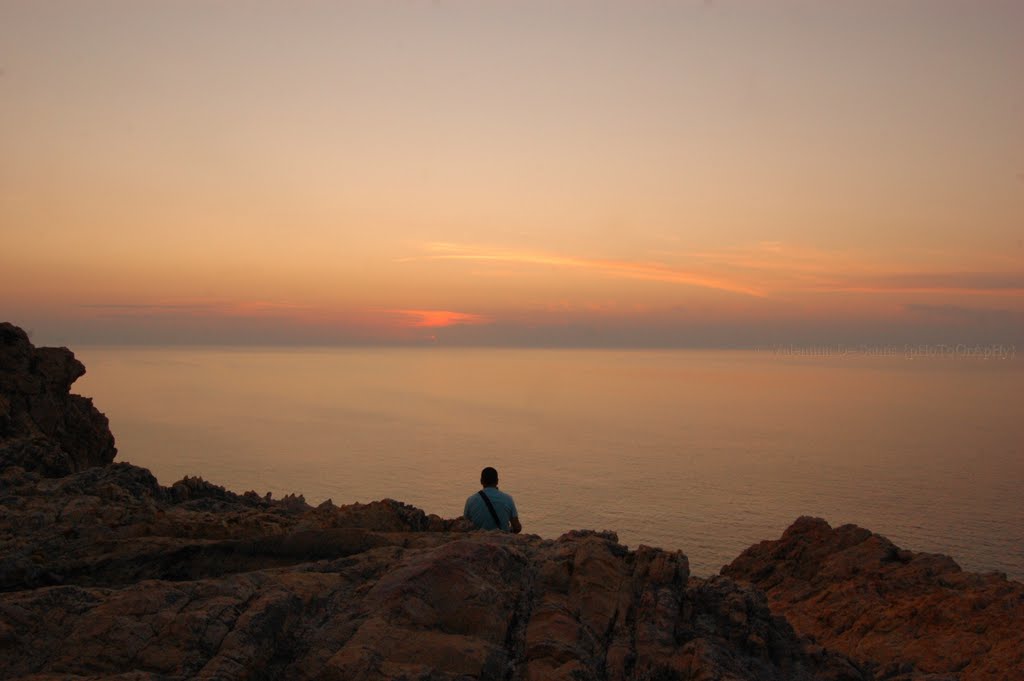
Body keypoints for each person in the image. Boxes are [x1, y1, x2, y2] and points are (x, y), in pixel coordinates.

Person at [464, 466, 522, 533]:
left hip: (479, 539)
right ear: (497, 481)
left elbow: (466, 525)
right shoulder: (508, 499)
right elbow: (517, 527)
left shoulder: (470, 500)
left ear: (481, 481)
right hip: (501, 539)